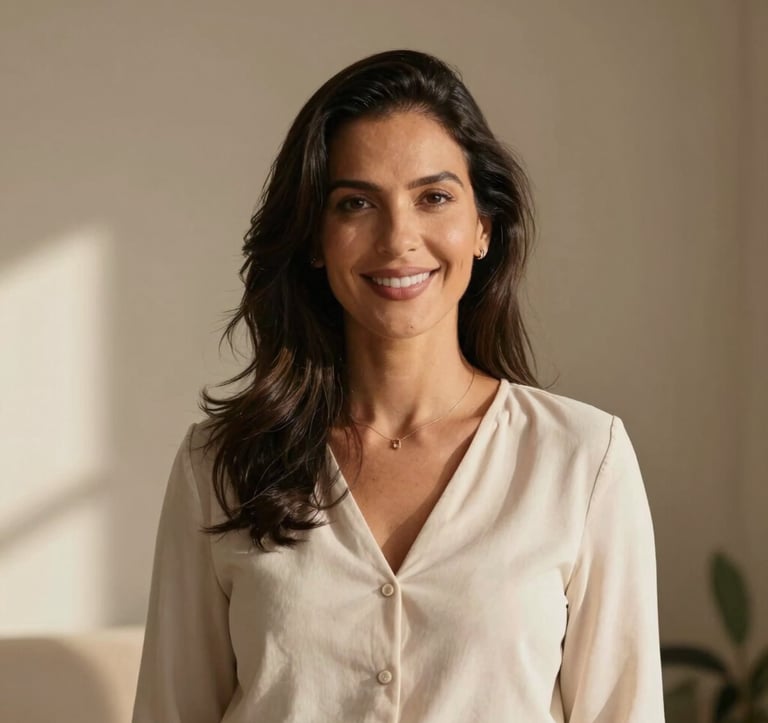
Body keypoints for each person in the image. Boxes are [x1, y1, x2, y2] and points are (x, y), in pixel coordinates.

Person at [132, 49, 665, 722]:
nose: (398, 238)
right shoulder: (218, 464)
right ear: (317, 240)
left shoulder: (583, 459)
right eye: (356, 203)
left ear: (482, 228)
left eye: (434, 197)